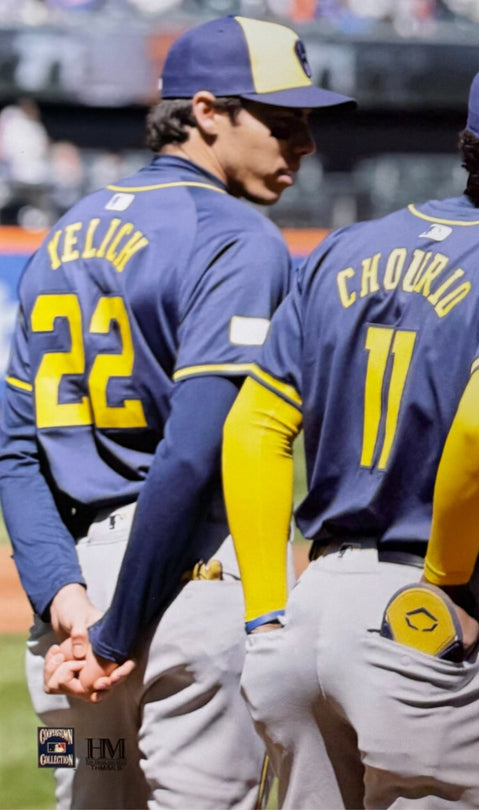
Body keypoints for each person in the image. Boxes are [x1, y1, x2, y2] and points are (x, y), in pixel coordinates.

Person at [222, 45, 479, 808]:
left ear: (469, 148)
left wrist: (267, 614)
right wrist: (444, 579)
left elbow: (254, 426)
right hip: (422, 611)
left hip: (308, 611)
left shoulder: (344, 247)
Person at [0, 15, 354, 808]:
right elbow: (194, 454)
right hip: (187, 591)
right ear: (206, 111)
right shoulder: (237, 238)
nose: (304, 144)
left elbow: (14, 454)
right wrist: (118, 630)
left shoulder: (62, 234)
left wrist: (68, 603)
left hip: (66, 622)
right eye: (284, 121)